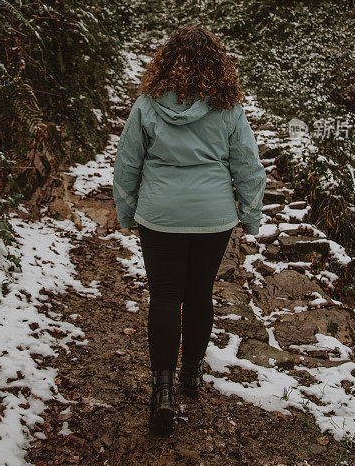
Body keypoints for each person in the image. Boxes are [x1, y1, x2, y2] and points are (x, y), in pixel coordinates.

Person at [112, 26, 266, 435]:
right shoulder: (227, 107)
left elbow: (128, 162)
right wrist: (250, 215)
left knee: (164, 296)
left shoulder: (146, 104)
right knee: (199, 293)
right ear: (217, 63)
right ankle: (192, 375)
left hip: (160, 214)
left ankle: (163, 390)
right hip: (212, 216)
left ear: (165, 60)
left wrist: (126, 212)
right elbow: (248, 165)